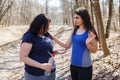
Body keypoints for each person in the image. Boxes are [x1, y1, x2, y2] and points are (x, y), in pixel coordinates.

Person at [51, 7, 99, 80]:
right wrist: (53, 38)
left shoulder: (90, 31)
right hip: (73, 65)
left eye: (77, 18)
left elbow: (95, 50)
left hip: (85, 67)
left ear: (84, 18)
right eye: (74, 18)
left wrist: (87, 44)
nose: (75, 20)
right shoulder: (74, 30)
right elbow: (66, 45)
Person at [19, 13, 66, 80]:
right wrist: (41, 66)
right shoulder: (29, 37)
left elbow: (45, 51)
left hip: (50, 73)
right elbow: (23, 57)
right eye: (46, 26)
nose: (48, 28)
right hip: (35, 75)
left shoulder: (47, 35)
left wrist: (55, 52)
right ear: (39, 25)